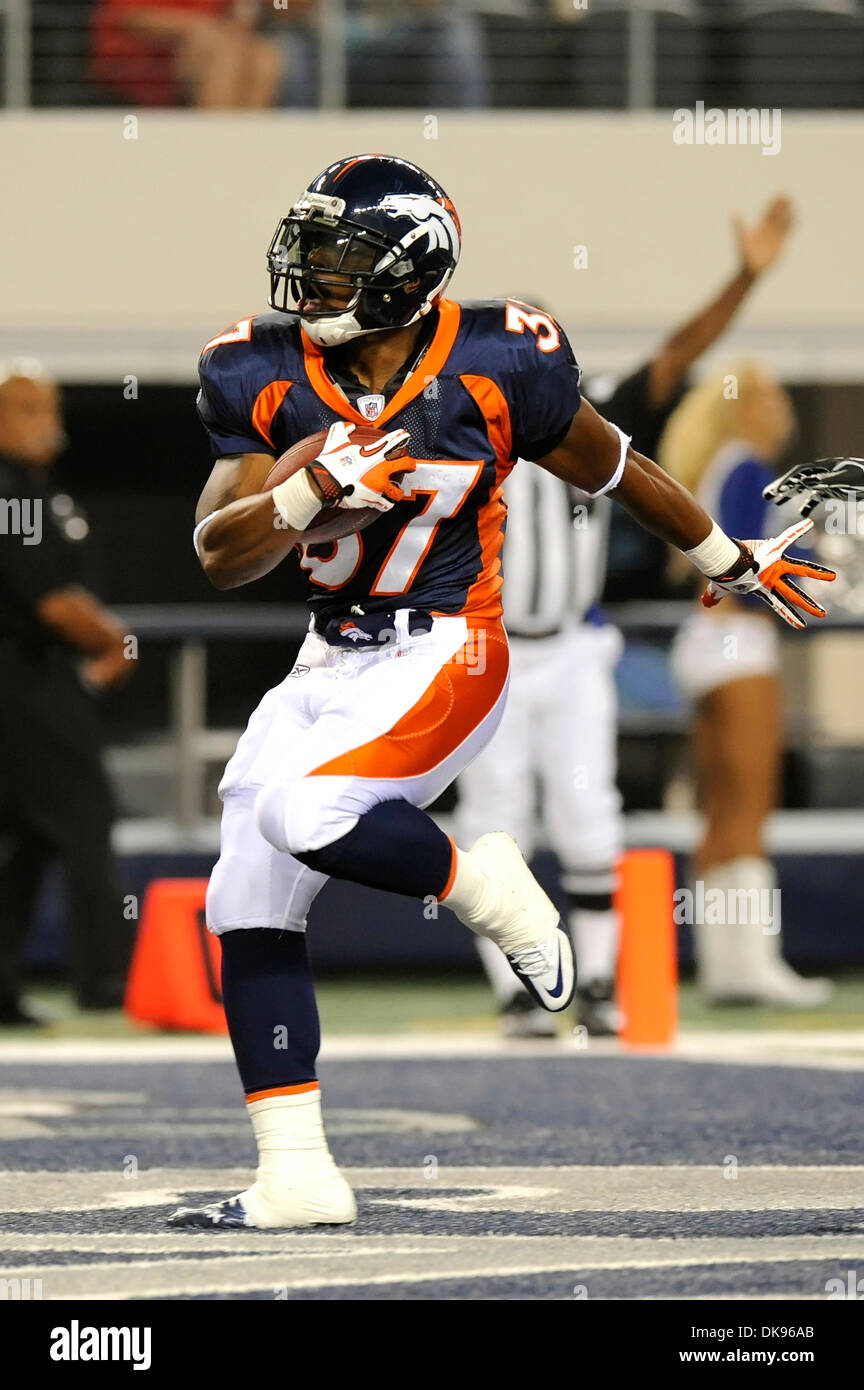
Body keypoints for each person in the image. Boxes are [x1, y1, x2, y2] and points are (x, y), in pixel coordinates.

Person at [171, 153, 833, 1231]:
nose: (313, 278)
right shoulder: (255, 369)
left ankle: (486, 885)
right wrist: (306, 489)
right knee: (244, 888)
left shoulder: (498, 359)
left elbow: (614, 462)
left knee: (308, 811)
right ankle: (297, 1173)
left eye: (340, 258)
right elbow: (218, 552)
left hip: (451, 647)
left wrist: (726, 558)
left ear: (406, 271)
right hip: (328, 656)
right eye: (313, 251)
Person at [459, 198, 798, 1040]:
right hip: (490, 650)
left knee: (587, 812)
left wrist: (746, 277)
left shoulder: (591, 413)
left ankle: (601, 983)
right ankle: (518, 992)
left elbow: (681, 352)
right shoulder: (456, 428)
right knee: (492, 822)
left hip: (574, 647)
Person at [662, 362, 833, 1007]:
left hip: (706, 641)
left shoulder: (720, 465)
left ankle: (725, 966)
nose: (782, 415)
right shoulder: (742, 467)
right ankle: (753, 963)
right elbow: (751, 563)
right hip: (736, 643)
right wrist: (822, 570)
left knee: (720, 812)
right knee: (749, 810)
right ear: (751, 410)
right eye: (774, 402)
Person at [0, 363, 134, 1026]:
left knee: (21, 837)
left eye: (50, 408)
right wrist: (114, 642)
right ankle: (105, 979)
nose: (46, 424)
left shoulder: (34, 490)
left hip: (28, 679)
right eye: (28, 410)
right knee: (85, 817)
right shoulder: (15, 496)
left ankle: (1, 988)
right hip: (26, 680)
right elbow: (48, 596)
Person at [91, 0, 283, 108]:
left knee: (265, 56)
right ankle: (214, 147)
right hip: (144, 64)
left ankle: (247, 150)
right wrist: (197, 27)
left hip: (209, 47)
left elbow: (238, 23)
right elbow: (132, 18)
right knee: (221, 54)